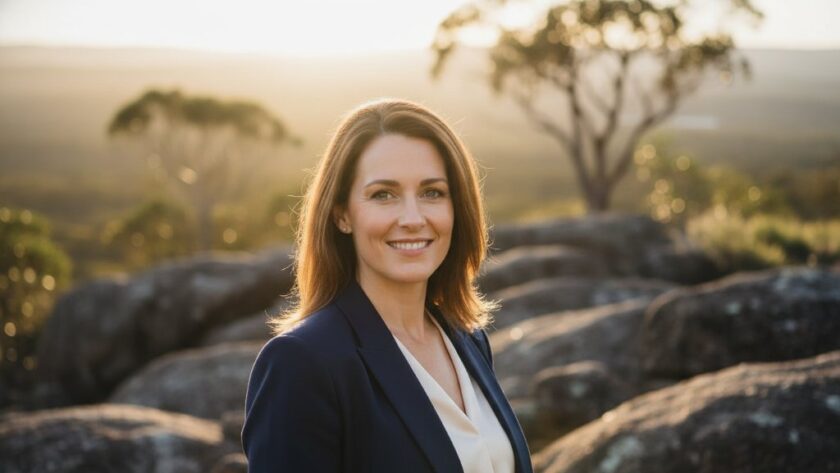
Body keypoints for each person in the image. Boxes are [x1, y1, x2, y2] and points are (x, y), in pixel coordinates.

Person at [242, 98, 533, 473]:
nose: (413, 218)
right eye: (384, 195)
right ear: (343, 214)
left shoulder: (467, 339)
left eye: (432, 192)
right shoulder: (302, 363)